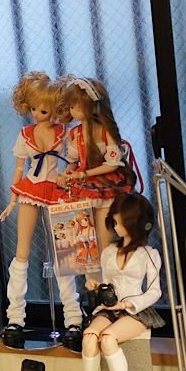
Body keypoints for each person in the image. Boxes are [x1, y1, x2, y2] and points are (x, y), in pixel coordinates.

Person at [0, 72, 82, 350]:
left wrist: (70, 179)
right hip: (30, 191)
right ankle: (15, 318)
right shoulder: (25, 135)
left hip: (57, 192)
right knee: (21, 253)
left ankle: (73, 318)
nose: (36, 114)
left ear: (56, 109)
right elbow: (18, 168)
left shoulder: (64, 133)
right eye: (33, 108)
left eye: (43, 110)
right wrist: (13, 199)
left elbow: (73, 162)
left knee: (65, 253)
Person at [77, 193, 163, 371]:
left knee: (108, 339)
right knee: (89, 338)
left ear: (135, 223)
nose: (116, 227)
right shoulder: (108, 252)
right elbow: (108, 284)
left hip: (135, 311)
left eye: (120, 222)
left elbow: (155, 291)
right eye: (114, 222)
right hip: (109, 309)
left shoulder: (149, 254)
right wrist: (96, 287)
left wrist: (128, 304)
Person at [57, 77, 138, 250]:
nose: (73, 111)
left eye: (78, 107)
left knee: (104, 233)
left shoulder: (105, 131)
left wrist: (83, 173)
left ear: (94, 107)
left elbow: (113, 164)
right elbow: (73, 162)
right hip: (82, 185)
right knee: (83, 234)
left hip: (105, 183)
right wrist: (67, 175)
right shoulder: (75, 133)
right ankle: (90, 266)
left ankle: (107, 262)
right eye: (72, 107)